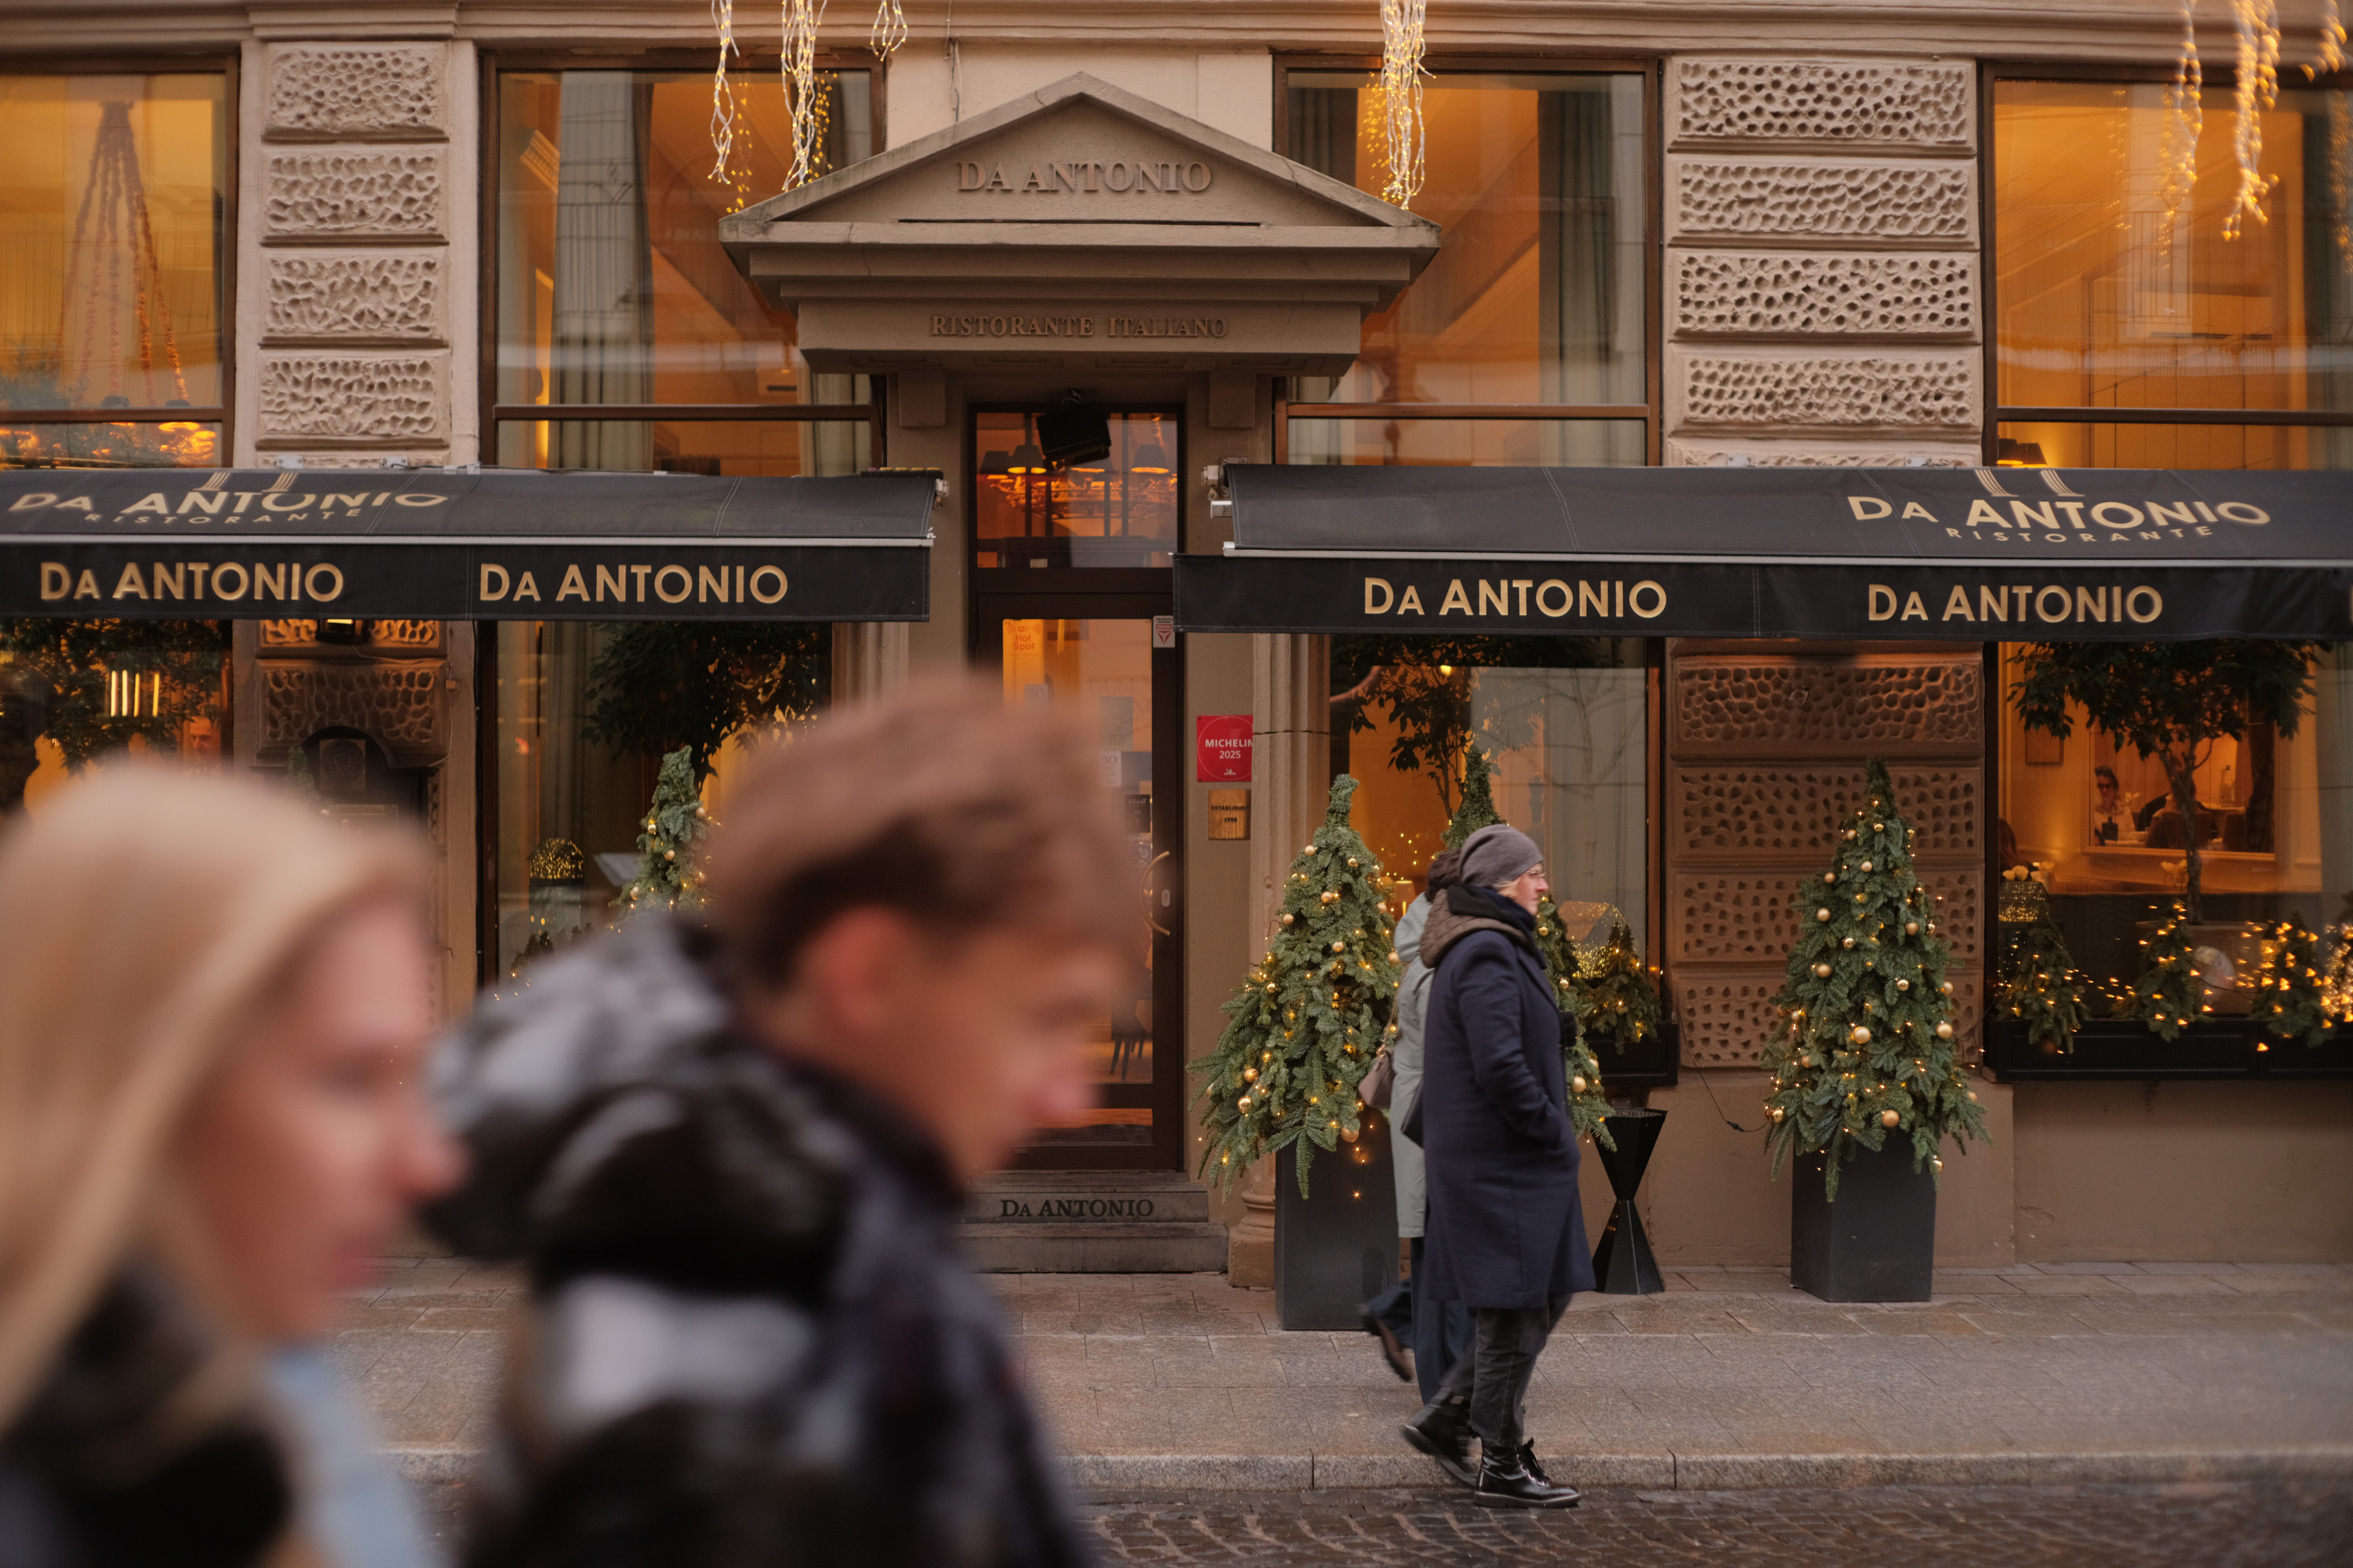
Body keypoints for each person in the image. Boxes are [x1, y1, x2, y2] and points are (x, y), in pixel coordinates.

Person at [425, 681, 1132, 1568]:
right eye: (1045, 1019)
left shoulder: (830, 1251)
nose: (1070, 1097)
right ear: (867, 974)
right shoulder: (714, 1395)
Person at [0, 769, 459, 1568]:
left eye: (413, 1078)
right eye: (351, 1079)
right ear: (142, 1095)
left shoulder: (264, 1391)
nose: (429, 1163)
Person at [1399, 823, 1587, 1509]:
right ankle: (1499, 1459)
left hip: (1505, 1161)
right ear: (1505, 880)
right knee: (1517, 1311)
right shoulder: (1484, 949)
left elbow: (1505, 1038)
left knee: (1540, 1294)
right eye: (1535, 871)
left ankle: (1451, 1413)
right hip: (1503, 1161)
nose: (1543, 884)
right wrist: (1550, 1127)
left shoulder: (1494, 944)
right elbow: (1497, 1064)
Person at [1358, 849, 1474, 1401]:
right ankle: (1444, 1381)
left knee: (1443, 1252)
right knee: (1445, 1255)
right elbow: (1456, 1063)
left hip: (1428, 1125)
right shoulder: (1437, 966)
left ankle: (1398, 1319)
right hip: (1439, 1130)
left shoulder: (1427, 951)